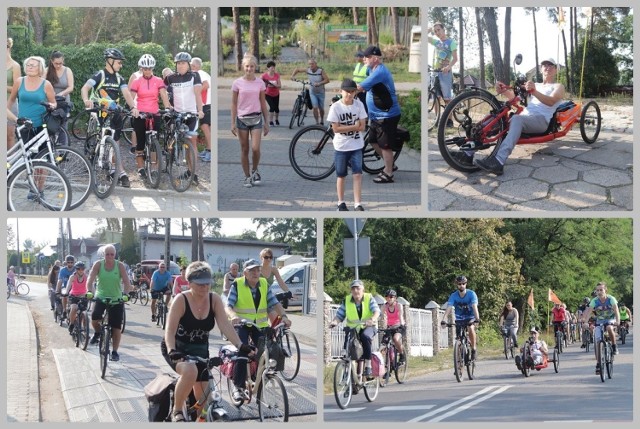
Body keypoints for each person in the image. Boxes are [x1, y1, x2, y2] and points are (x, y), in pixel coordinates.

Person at [162, 261, 250, 422]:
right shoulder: (181, 300)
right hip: (177, 348)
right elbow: (169, 330)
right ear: (190, 283)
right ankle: (177, 411)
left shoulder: (214, 299)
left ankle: (200, 419)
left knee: (203, 400)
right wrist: (171, 350)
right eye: (200, 284)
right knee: (190, 371)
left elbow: (225, 325)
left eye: (208, 283)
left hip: (200, 349)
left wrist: (240, 345)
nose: (205, 287)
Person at [472, 58, 565, 175]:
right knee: (495, 118)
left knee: (517, 119)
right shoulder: (535, 85)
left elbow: (551, 101)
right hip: (526, 117)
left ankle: (499, 161)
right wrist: (504, 90)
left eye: (551, 65)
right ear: (541, 69)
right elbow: (515, 98)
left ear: (556, 70)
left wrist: (534, 91)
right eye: (544, 65)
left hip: (541, 121)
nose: (547, 67)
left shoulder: (558, 86)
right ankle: (468, 153)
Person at [225, 259, 291, 401]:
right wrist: (234, 316)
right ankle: (238, 386)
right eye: (252, 270)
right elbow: (228, 306)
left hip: (259, 326)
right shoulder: (237, 284)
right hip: (241, 325)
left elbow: (275, 303)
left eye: (257, 270)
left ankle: (260, 376)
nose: (255, 273)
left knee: (270, 350)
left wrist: (284, 316)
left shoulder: (264, 284)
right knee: (242, 352)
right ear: (245, 273)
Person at [80, 48, 138, 188]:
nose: (121, 65)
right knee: (102, 137)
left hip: (114, 112)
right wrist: (86, 100)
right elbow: (85, 88)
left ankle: (117, 170)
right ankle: (96, 159)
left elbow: (127, 94)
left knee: (115, 141)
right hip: (100, 110)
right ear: (110, 61)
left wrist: (133, 107)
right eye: (119, 62)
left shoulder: (120, 78)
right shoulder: (99, 75)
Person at [356, 45, 402, 184]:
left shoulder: (380, 72)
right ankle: (390, 164)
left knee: (385, 146)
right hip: (377, 115)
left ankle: (388, 173)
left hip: (387, 116)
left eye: (367, 57)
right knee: (373, 141)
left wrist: (345, 93)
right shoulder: (371, 69)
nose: (364, 59)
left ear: (375, 58)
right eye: (364, 56)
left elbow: (361, 87)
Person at [327, 78, 368, 211]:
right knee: (341, 175)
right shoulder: (336, 107)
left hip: (356, 145)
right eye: (347, 91)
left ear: (355, 92)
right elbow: (336, 129)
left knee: (357, 174)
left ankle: (358, 203)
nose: (349, 94)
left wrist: (353, 127)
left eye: (352, 92)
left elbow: (362, 126)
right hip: (341, 146)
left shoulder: (359, 105)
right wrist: (353, 126)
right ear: (341, 91)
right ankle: (341, 202)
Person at [129, 54, 172, 180]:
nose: (147, 71)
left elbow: (163, 95)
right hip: (140, 114)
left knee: (154, 142)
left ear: (153, 68)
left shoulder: (158, 80)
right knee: (140, 142)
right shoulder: (137, 81)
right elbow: (131, 98)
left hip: (154, 113)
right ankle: (141, 167)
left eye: (149, 68)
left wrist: (168, 107)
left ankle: (153, 168)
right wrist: (133, 108)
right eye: (145, 68)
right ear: (141, 68)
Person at [86, 244, 133, 361]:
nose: (110, 256)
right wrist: (89, 291)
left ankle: (115, 351)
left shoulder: (120, 266)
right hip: (101, 297)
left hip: (116, 298)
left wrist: (126, 294)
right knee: (95, 317)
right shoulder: (98, 264)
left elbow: (127, 283)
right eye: (107, 254)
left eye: (112, 254)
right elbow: (90, 280)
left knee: (116, 326)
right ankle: (97, 333)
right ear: (104, 255)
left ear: (115, 254)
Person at [164, 51, 204, 186]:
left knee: (191, 144)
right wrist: (167, 104)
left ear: (188, 65)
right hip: (177, 114)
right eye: (178, 63)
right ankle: (169, 161)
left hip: (192, 114)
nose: (180, 66)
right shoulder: (171, 78)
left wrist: (200, 110)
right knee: (173, 139)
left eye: (183, 63)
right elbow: (161, 88)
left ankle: (192, 172)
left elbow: (198, 94)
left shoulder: (194, 76)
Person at [231, 54, 269, 188]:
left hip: (257, 118)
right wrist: (232, 123)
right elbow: (234, 104)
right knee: (245, 149)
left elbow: (263, 103)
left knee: (255, 148)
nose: (249, 69)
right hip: (242, 119)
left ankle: (255, 170)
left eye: (252, 66)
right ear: (243, 67)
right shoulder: (237, 83)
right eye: (247, 66)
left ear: (255, 67)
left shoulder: (260, 83)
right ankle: (247, 177)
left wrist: (267, 122)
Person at [329, 279, 380, 377]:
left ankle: (368, 366)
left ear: (363, 289)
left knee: (365, 337)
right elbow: (340, 315)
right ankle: (349, 373)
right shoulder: (347, 300)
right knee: (348, 348)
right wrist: (334, 322)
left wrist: (372, 319)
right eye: (353, 289)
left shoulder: (369, 298)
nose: (356, 291)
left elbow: (376, 311)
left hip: (368, 326)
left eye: (358, 288)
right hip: (353, 329)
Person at [6, 56, 57, 141]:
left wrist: (52, 106)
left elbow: (54, 103)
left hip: (41, 124)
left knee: (42, 153)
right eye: (28, 65)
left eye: (33, 65)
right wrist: (13, 117)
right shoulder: (19, 81)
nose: (30, 67)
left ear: (40, 68)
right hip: (24, 124)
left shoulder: (46, 84)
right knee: (27, 153)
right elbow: (11, 100)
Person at [580, 282, 620, 374]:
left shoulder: (611, 299)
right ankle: (598, 364)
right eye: (597, 290)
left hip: (610, 319)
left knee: (609, 328)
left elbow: (616, 310)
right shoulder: (594, 300)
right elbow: (589, 311)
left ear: (605, 290)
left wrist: (618, 321)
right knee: (598, 342)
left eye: (601, 290)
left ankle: (614, 346)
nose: (599, 292)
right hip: (599, 321)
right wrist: (585, 322)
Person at [441, 275, 480, 360]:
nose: (461, 285)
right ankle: (460, 353)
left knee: (471, 328)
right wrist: (443, 320)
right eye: (459, 284)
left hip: (471, 316)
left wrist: (477, 319)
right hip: (459, 317)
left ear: (466, 284)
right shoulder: (453, 295)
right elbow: (449, 308)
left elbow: (474, 306)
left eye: (463, 283)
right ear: (457, 285)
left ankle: (473, 349)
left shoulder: (471, 294)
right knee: (459, 336)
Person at [45, 51, 74, 145]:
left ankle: (63, 149)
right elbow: (42, 85)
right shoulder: (47, 70)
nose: (58, 65)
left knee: (63, 125)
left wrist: (61, 94)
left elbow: (71, 87)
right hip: (50, 100)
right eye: (56, 63)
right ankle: (49, 147)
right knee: (50, 124)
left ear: (63, 61)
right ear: (51, 61)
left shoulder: (67, 70)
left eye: (60, 63)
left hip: (63, 100)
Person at [291, 58, 330, 125]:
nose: (311, 65)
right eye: (309, 64)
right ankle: (317, 122)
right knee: (315, 107)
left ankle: (322, 120)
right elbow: (297, 69)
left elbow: (327, 80)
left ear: (315, 64)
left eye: (312, 64)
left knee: (321, 108)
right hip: (312, 92)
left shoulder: (320, 71)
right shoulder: (308, 70)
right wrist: (292, 76)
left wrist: (319, 83)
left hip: (320, 92)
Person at [427, 23, 458, 105]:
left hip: (445, 73)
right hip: (435, 72)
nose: (437, 32)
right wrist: (429, 30)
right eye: (435, 31)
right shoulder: (436, 42)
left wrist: (448, 67)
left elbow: (455, 59)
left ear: (444, 30)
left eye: (439, 30)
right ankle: (438, 118)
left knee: (447, 99)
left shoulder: (451, 42)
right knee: (436, 98)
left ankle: (449, 118)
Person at [190, 57, 212, 163]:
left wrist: (196, 92)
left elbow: (206, 85)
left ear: (196, 66)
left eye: (192, 66)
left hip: (205, 104)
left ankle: (210, 152)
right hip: (207, 104)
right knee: (208, 128)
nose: (191, 68)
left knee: (205, 127)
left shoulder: (200, 73)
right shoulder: (204, 73)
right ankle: (208, 149)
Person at [381, 289, 406, 363]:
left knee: (395, 339)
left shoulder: (398, 305)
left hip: (399, 326)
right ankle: (388, 365)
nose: (389, 298)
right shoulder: (384, 306)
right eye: (387, 297)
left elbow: (400, 316)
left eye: (391, 297)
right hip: (390, 327)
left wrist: (401, 325)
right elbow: (383, 317)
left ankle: (402, 355)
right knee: (384, 343)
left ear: (395, 298)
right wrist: (384, 327)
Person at [6, 38, 21, 149]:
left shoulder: (15, 66)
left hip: (10, 104)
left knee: (10, 136)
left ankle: (10, 165)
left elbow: (17, 88)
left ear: (9, 47)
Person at [66, 261, 89, 334]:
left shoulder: (87, 277)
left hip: (83, 296)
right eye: (79, 269)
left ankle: (86, 332)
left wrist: (93, 294)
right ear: (76, 269)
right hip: (74, 295)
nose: (81, 270)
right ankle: (72, 324)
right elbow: (68, 286)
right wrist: (66, 292)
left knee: (84, 313)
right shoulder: (73, 277)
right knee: (74, 308)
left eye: (82, 269)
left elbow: (90, 286)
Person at [56, 255, 76, 321]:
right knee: (64, 295)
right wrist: (57, 291)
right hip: (65, 287)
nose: (70, 264)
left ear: (74, 262)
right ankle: (64, 310)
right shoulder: (63, 270)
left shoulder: (76, 269)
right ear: (66, 262)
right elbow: (60, 281)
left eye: (71, 262)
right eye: (68, 262)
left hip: (74, 288)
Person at [261, 61, 282, 127]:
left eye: (274, 67)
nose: (273, 69)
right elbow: (260, 85)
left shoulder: (277, 75)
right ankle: (270, 121)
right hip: (267, 94)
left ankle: (276, 119)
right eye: (271, 67)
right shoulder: (264, 76)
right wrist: (267, 86)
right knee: (272, 107)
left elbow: (280, 85)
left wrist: (275, 85)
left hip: (276, 94)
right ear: (268, 68)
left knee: (276, 109)